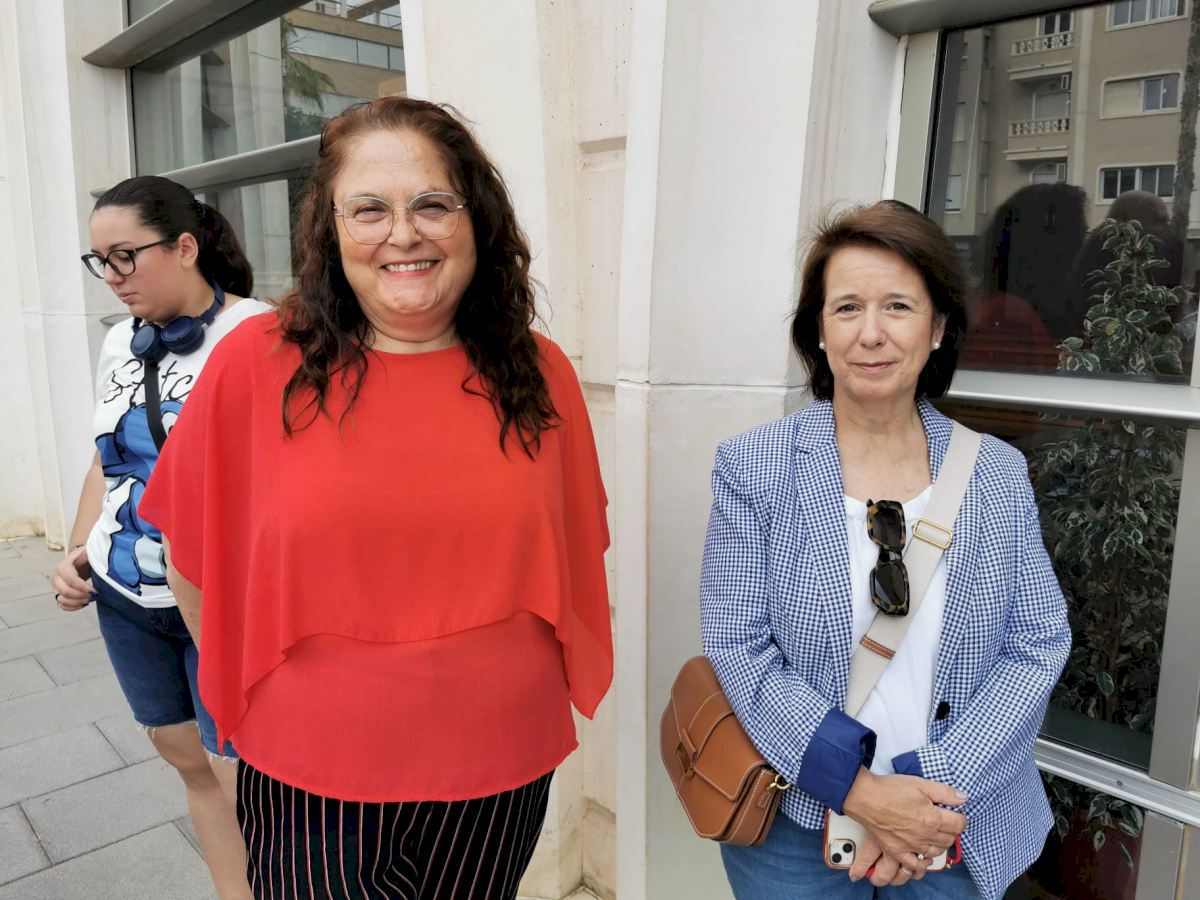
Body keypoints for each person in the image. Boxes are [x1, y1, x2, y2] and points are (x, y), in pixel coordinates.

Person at [137, 97, 613, 899]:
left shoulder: (540, 372)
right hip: (309, 764)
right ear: (329, 230)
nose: (403, 233)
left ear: (476, 220)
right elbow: (191, 559)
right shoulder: (255, 364)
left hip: (501, 756)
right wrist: (248, 704)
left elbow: (571, 553)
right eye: (369, 210)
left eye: (433, 204)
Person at [701, 200, 1070, 899]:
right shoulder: (754, 467)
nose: (871, 333)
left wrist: (921, 803)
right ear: (818, 331)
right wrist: (860, 791)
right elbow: (738, 645)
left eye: (898, 306)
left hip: (956, 822)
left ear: (938, 328)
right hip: (797, 830)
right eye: (847, 308)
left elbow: (1037, 643)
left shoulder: (995, 473)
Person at [51, 175, 270, 899]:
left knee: (246, 780)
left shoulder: (259, 335)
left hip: (217, 601)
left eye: (126, 256)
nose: (113, 277)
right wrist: (77, 549)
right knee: (188, 763)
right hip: (125, 597)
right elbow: (105, 459)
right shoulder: (121, 341)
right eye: (100, 261)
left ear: (184, 246)